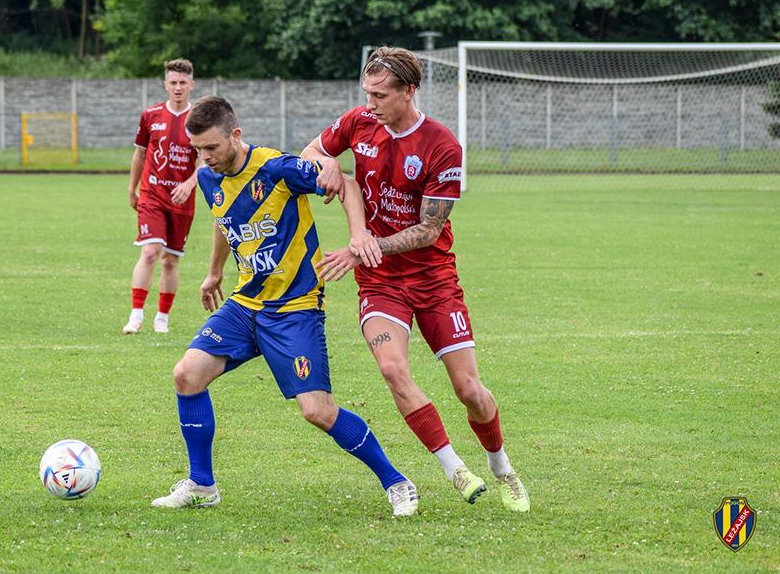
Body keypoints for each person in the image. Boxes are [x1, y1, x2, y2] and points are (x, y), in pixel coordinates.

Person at [151, 95, 419, 517]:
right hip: (245, 304)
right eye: (198, 150)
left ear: (235, 135)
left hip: (295, 307)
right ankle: (202, 485)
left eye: (212, 148)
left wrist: (357, 235)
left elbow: (347, 184)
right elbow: (224, 217)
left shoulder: (277, 168)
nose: (205, 158)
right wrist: (214, 272)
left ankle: (397, 482)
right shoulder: (208, 176)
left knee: (318, 411)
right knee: (187, 374)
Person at [302, 46, 530, 513]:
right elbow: (312, 150)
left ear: (409, 91)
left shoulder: (442, 146)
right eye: (367, 93)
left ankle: (502, 466)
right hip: (381, 283)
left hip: (434, 280)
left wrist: (365, 246)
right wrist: (327, 163)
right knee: (392, 370)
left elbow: (429, 230)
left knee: (470, 391)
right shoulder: (359, 122)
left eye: (380, 95)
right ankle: (453, 468)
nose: (370, 104)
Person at [123, 58, 200, 334]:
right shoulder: (151, 115)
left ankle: (162, 318)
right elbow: (140, 154)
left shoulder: (200, 119)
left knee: (170, 259)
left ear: (191, 85)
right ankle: (136, 316)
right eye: (173, 82)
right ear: (165, 84)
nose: (178, 87)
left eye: (183, 82)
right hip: (152, 194)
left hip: (182, 200)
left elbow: (206, 159)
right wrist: (132, 188)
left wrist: (189, 184)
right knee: (150, 252)